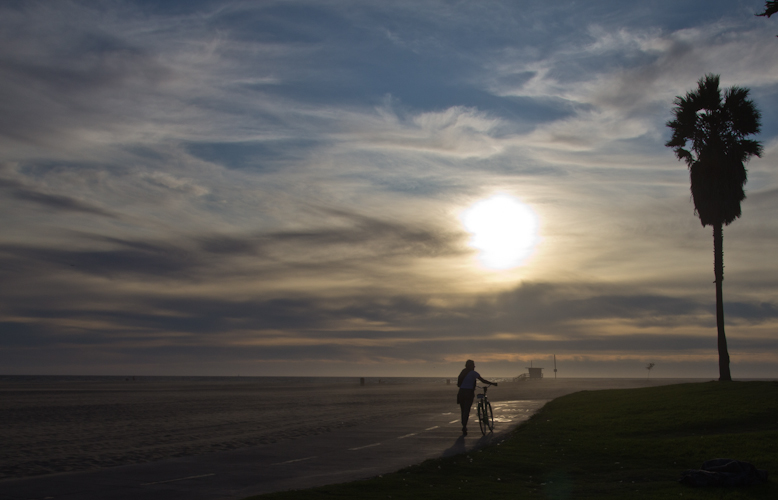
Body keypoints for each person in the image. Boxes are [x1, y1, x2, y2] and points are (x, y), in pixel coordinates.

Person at [456, 359, 498, 435]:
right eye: (473, 365)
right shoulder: (473, 373)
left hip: (461, 392)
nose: (474, 366)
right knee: (467, 410)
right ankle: (464, 425)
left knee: (463, 410)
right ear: (470, 366)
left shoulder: (463, 371)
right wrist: (493, 383)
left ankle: (464, 425)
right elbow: (483, 381)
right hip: (469, 393)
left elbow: (458, 383)